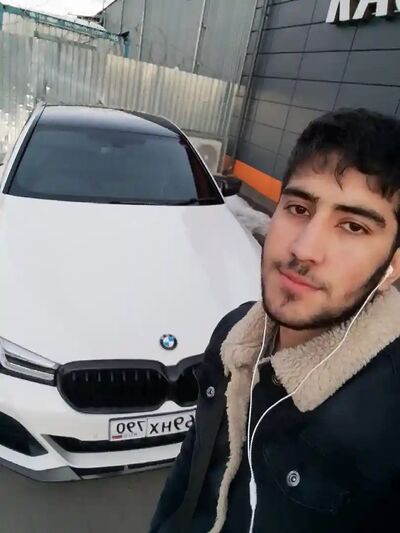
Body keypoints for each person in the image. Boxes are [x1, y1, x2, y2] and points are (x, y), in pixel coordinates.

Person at [149, 108, 400, 533]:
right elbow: (190, 476)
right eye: (299, 208)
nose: (304, 249)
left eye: (353, 226)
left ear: (393, 267)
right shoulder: (234, 336)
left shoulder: (389, 414)